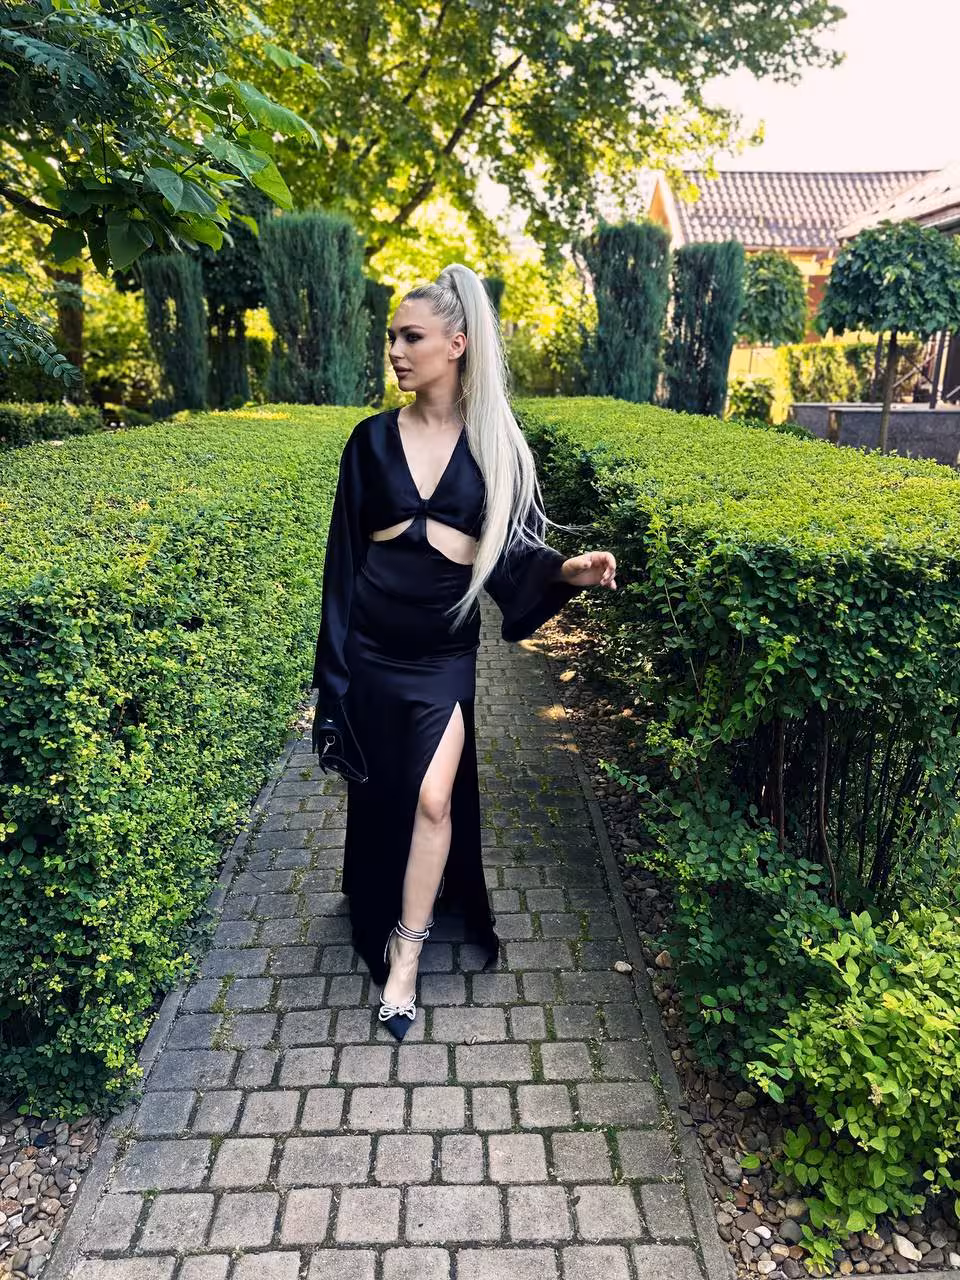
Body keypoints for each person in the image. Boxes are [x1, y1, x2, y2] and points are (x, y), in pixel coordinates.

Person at [311, 263, 617, 1040]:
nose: (395, 351)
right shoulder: (369, 441)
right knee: (382, 794)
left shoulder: (495, 449)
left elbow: (515, 556)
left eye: (410, 337)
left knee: (433, 798)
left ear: (456, 344)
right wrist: (332, 678)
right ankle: (379, 898)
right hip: (371, 652)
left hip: (443, 662)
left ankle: (407, 954)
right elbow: (342, 566)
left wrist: (567, 572)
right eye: (392, 337)